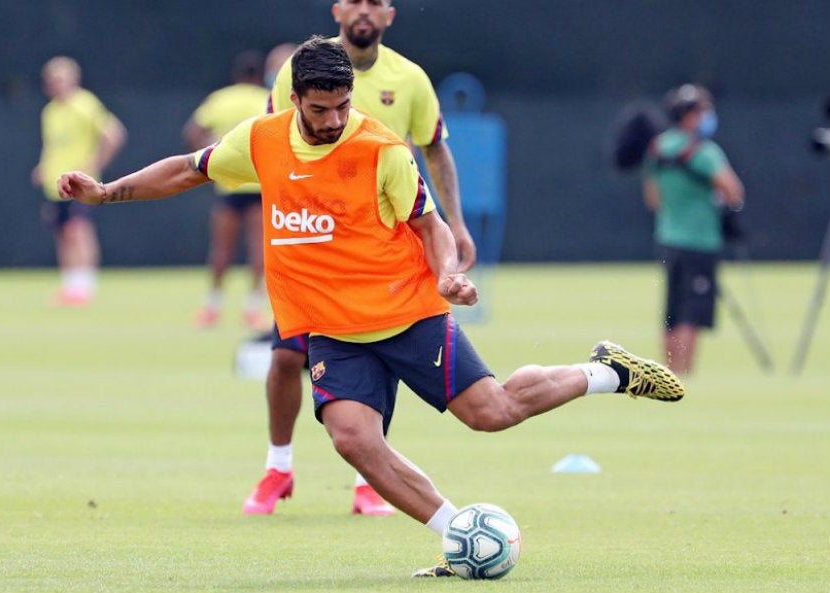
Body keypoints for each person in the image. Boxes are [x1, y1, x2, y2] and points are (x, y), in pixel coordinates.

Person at [57, 36, 686, 577]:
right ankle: (456, 533)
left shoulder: (382, 149)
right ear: (295, 98)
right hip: (330, 329)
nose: (333, 120)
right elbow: (189, 170)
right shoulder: (262, 139)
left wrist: (448, 276)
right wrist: (107, 193)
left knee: (490, 412)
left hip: (408, 313)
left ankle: (608, 371)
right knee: (352, 438)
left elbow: (430, 225)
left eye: (342, 107)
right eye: (321, 109)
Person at [248, 0, 478, 517]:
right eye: (356, 0)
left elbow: (435, 148)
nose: (364, 10)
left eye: (375, 2)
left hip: (383, 246)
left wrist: (455, 223)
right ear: (338, 9)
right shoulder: (302, 67)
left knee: (380, 349)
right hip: (314, 247)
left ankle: (367, 480)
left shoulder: (410, 78)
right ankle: (277, 466)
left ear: (389, 15)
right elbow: (272, 148)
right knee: (286, 355)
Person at [642, 84, 745, 375]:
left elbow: (653, 198)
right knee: (692, 312)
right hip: (700, 240)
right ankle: (684, 374)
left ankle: (667, 372)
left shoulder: (657, 147)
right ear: (689, 115)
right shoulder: (704, 151)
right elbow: (733, 191)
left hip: (667, 237)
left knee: (672, 311)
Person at [184, 51, 273, 329]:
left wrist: (210, 156)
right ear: (258, 75)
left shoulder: (220, 99)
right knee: (259, 250)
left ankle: (212, 306)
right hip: (259, 185)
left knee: (221, 250)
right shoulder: (265, 100)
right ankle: (252, 308)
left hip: (228, 185)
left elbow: (193, 131)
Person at [31, 56, 126, 307]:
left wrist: (94, 165)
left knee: (79, 231)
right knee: (62, 233)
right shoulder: (50, 111)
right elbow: (52, 145)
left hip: (79, 184)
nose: (56, 84)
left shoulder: (84, 104)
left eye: (61, 78)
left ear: (74, 79)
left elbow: (114, 134)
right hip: (55, 185)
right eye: (52, 79)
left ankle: (85, 288)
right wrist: (43, 167)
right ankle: (70, 286)